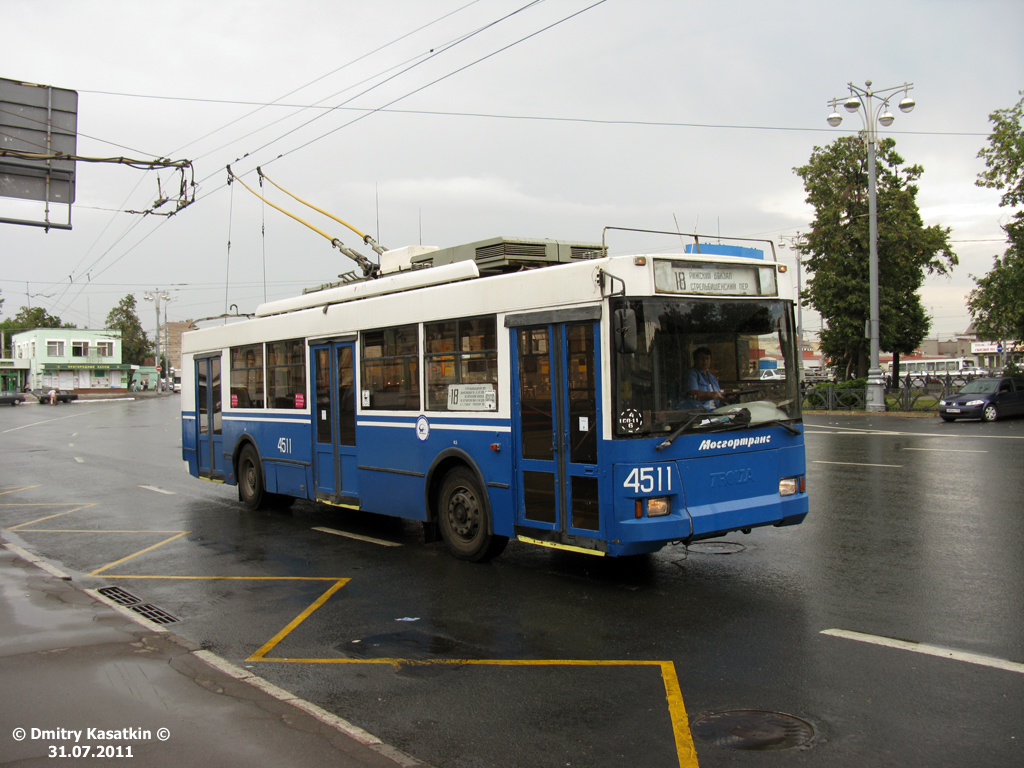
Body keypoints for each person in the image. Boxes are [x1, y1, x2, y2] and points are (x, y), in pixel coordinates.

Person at [681, 347, 725, 411]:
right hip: (697, 413)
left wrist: (726, 397)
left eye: (707, 358)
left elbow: (719, 397)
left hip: (715, 411)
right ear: (695, 360)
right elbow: (692, 393)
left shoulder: (713, 378)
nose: (705, 361)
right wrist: (711, 395)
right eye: (701, 358)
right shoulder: (691, 374)